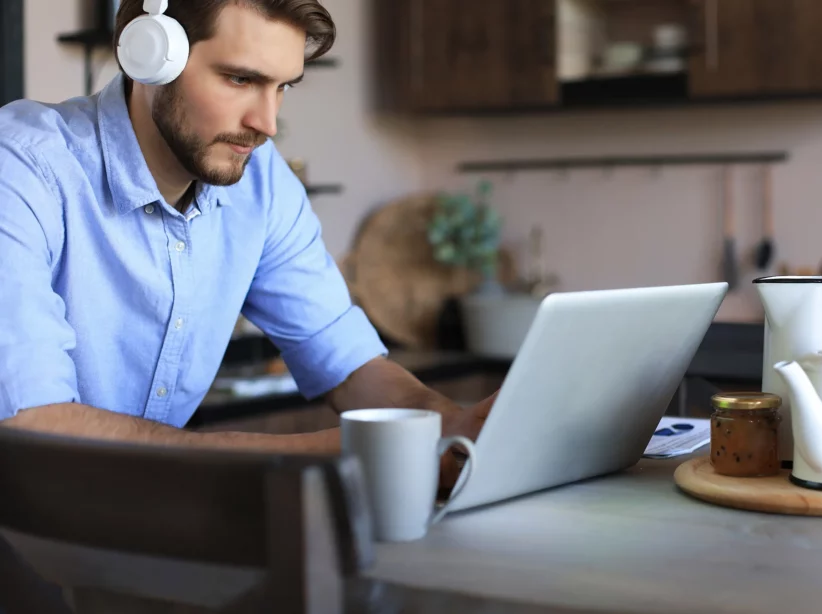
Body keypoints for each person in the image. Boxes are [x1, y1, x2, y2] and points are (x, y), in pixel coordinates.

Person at [0, 0, 494, 487]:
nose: (267, 123)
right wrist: (337, 450)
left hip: (134, 526)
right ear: (148, 55)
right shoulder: (22, 167)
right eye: (241, 79)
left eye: (283, 88)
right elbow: (31, 428)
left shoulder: (263, 184)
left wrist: (455, 426)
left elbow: (349, 366)